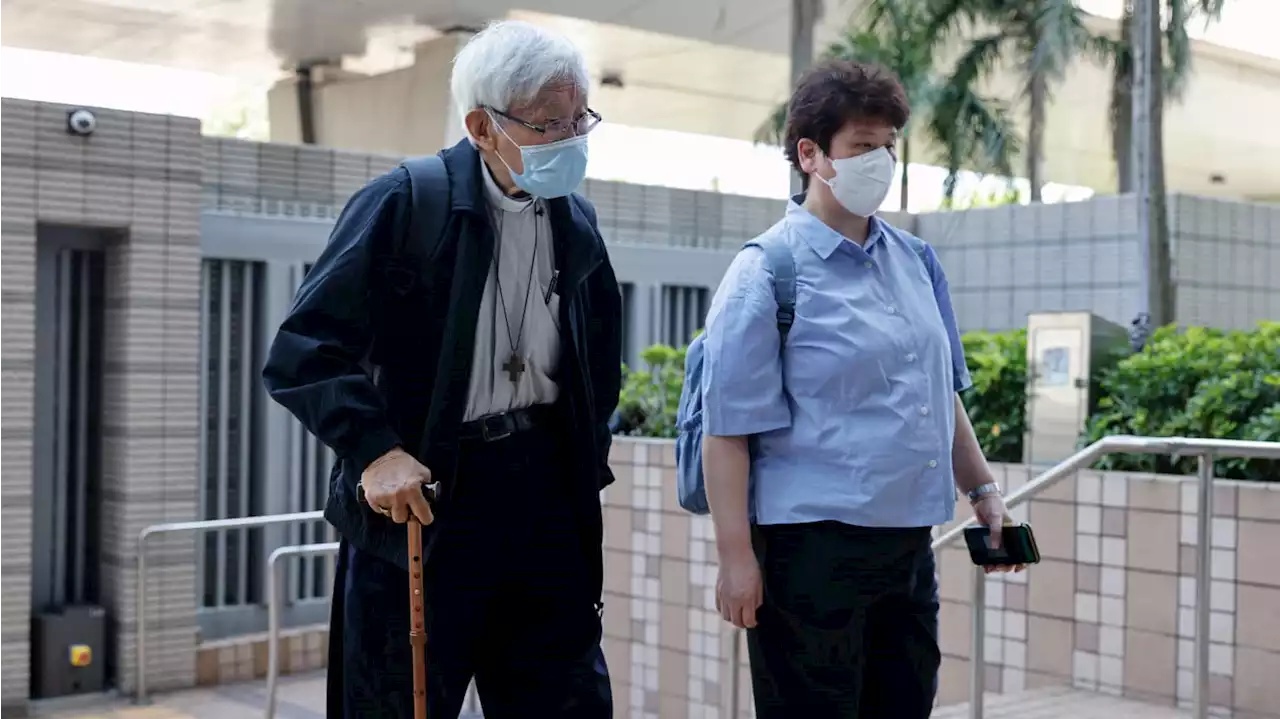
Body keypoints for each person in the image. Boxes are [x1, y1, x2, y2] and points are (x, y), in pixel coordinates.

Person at [262, 20, 621, 719]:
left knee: (568, 699)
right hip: (428, 500)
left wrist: (585, 461)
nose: (573, 139)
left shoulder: (576, 222)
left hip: (543, 498)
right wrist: (372, 450)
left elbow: (597, 362)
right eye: (550, 125)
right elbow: (304, 348)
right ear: (483, 128)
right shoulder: (406, 202)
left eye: (580, 118)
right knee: (401, 702)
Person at [699, 59, 1020, 718]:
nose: (880, 161)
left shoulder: (915, 260)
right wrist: (736, 559)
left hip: (908, 549)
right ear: (811, 154)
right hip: (809, 552)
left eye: (889, 147)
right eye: (862, 147)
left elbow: (942, 394)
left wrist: (984, 493)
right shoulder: (766, 272)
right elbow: (726, 429)